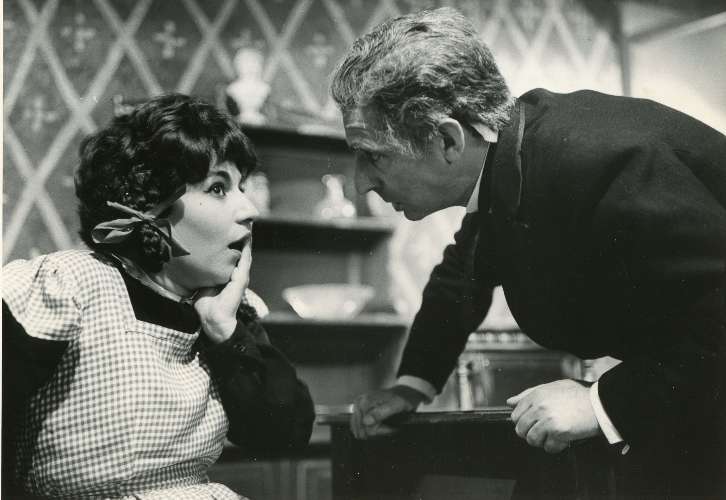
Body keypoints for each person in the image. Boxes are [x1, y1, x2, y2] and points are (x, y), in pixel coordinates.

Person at [330, 7, 726, 499]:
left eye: (372, 155)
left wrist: (602, 403)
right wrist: (413, 385)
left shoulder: (601, 162)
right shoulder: (512, 163)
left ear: (448, 140)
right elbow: (460, 279)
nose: (361, 183)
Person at [2, 94, 315, 499]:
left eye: (242, 186)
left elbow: (286, 435)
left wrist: (225, 331)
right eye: (218, 188)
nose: (249, 209)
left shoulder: (229, 308)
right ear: (147, 209)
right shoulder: (69, 288)